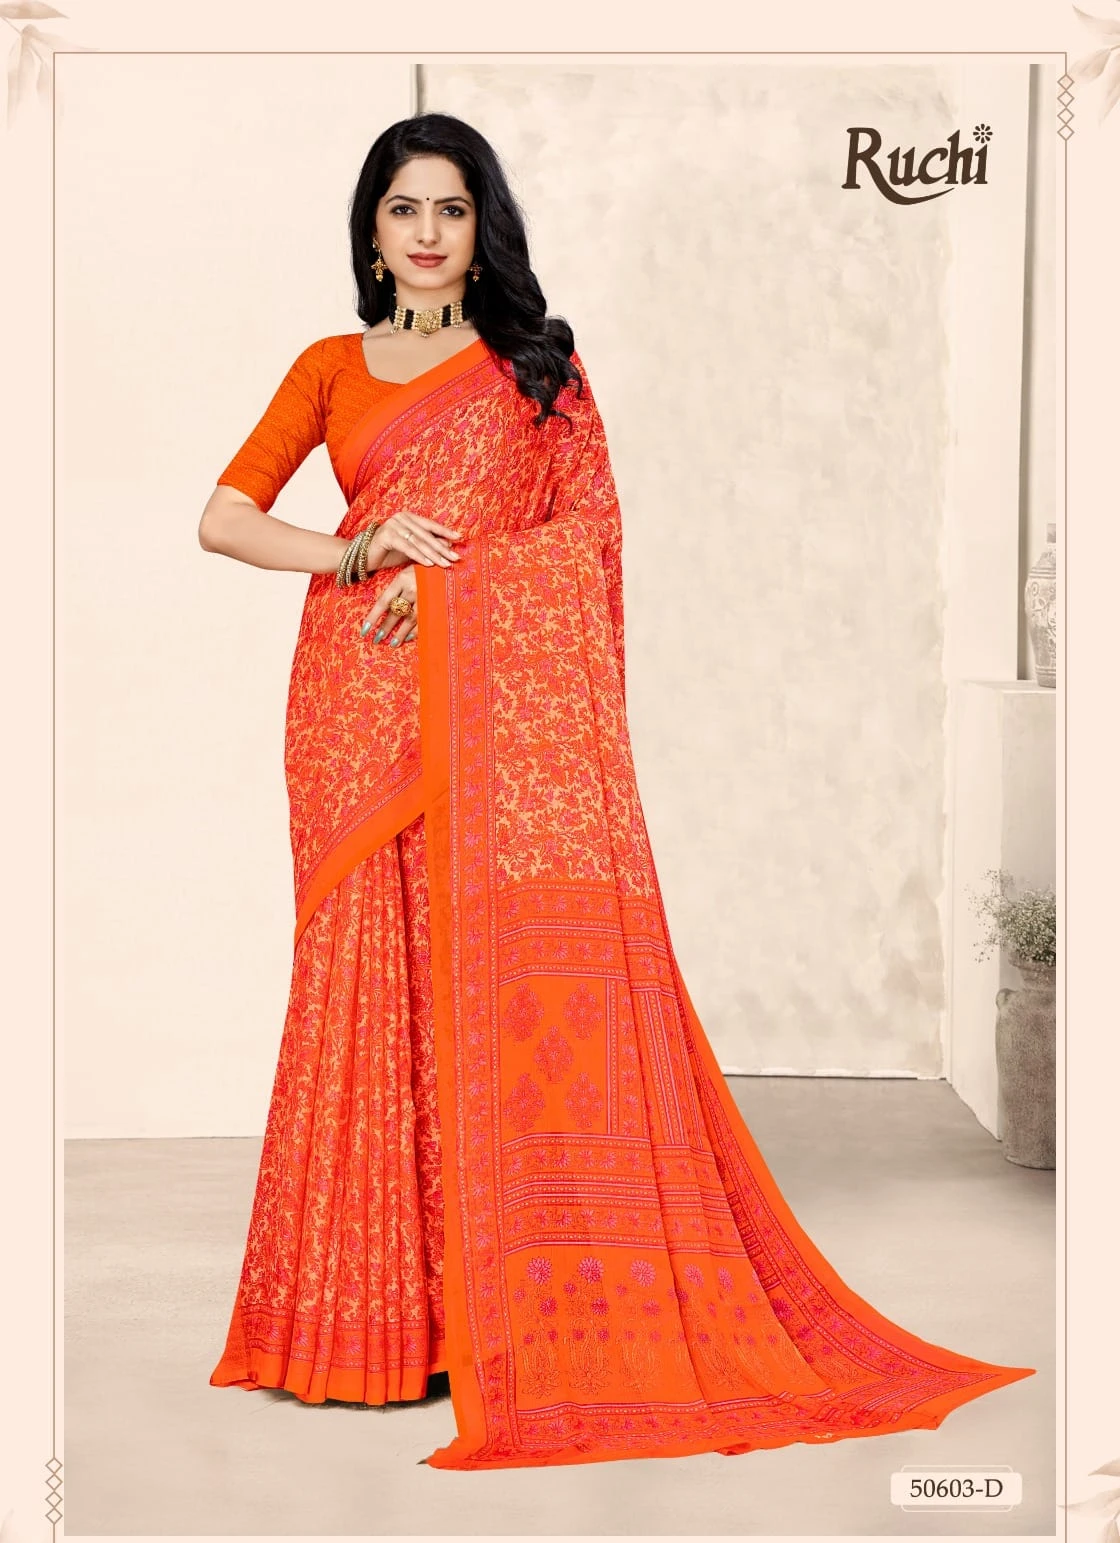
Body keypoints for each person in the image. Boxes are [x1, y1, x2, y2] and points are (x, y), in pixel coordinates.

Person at [200, 112, 1034, 1471]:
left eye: (452, 208)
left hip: (492, 716)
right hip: (356, 715)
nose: (427, 232)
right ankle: (373, 1327)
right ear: (372, 232)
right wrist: (359, 556)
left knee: (488, 989)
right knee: (369, 985)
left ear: (484, 228)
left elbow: (587, 539)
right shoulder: (329, 368)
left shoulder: (538, 368)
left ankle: (497, 1311)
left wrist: (454, 588)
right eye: (405, 209)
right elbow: (224, 517)